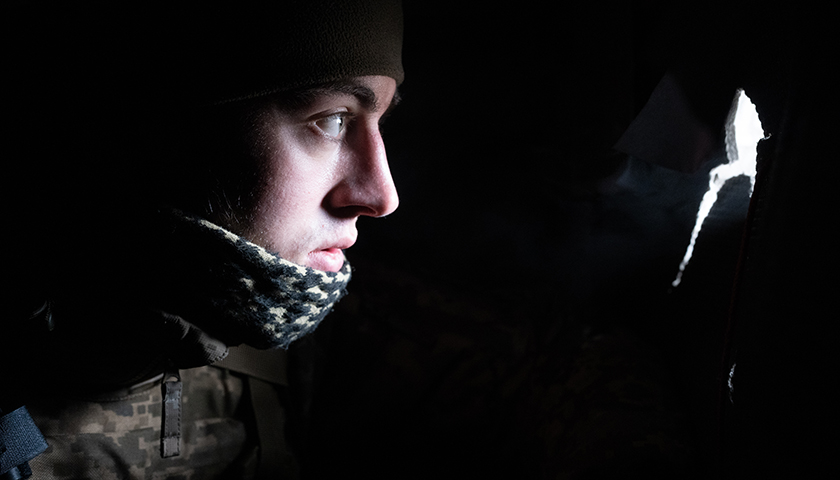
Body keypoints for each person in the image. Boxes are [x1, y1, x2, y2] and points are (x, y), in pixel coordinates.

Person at [1, 1, 404, 479]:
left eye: (380, 122)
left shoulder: (291, 343)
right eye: (332, 120)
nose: (383, 196)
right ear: (176, 132)